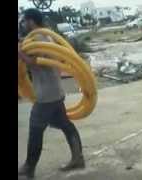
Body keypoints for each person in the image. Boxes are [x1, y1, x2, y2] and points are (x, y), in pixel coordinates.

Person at [18, 9, 85, 179]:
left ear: (31, 21)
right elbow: (32, 52)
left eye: (24, 21)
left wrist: (19, 53)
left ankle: (29, 167)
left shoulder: (40, 39)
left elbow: (40, 63)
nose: (23, 24)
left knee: (35, 129)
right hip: (54, 91)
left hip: (46, 96)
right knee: (65, 124)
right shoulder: (42, 37)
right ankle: (78, 158)